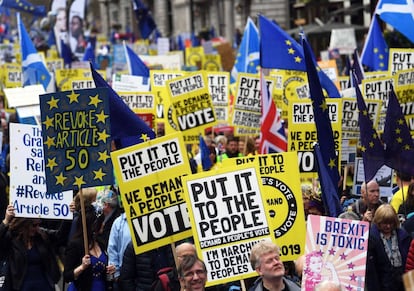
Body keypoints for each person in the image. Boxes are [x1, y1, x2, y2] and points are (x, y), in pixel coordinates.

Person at [0, 204, 70, 291]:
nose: (37, 228)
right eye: (34, 225)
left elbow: (60, 236)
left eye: (38, 224)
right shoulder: (11, 238)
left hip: (44, 285)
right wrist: (6, 220)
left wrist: (68, 214)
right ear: (24, 224)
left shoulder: (41, 235)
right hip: (20, 286)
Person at [63, 204, 116, 290]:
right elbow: (67, 276)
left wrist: (110, 270)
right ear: (94, 226)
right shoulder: (75, 245)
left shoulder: (101, 243)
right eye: (101, 222)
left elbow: (105, 271)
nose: (103, 224)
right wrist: (82, 267)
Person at [366, 204, 411, 291]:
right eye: (384, 223)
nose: (388, 226)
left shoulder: (404, 237)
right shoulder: (371, 239)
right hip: (382, 284)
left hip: (402, 283)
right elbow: (371, 272)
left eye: (391, 223)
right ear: (378, 222)